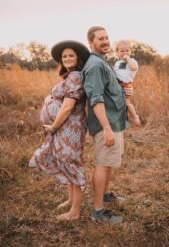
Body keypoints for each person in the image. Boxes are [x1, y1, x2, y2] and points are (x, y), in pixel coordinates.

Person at [29, 40, 90, 220]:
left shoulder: (76, 76)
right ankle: (71, 200)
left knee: (71, 163)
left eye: (71, 55)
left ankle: (75, 212)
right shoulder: (69, 75)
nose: (68, 58)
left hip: (69, 127)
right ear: (61, 61)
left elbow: (67, 107)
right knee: (65, 161)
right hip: (65, 127)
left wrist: (54, 126)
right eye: (64, 56)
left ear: (78, 58)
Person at [82, 26, 127, 224]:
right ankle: (98, 212)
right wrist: (107, 128)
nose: (106, 41)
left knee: (108, 162)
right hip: (106, 123)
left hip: (114, 120)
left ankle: (106, 194)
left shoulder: (103, 62)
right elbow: (96, 99)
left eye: (107, 37)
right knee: (102, 163)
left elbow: (109, 90)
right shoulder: (95, 65)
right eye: (101, 38)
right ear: (91, 42)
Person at [114, 40, 141, 126]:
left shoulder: (132, 61)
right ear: (117, 52)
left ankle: (135, 116)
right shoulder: (117, 63)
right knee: (118, 103)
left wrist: (128, 59)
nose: (125, 53)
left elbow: (134, 68)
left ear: (130, 51)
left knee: (127, 102)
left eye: (127, 51)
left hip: (125, 85)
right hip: (117, 84)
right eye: (122, 51)